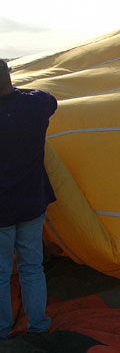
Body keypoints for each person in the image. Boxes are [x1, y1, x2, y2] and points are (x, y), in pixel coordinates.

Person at [0, 59, 57, 341]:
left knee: (0, 273)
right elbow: (50, 99)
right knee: (32, 267)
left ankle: (2, 329)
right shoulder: (34, 106)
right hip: (32, 202)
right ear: (8, 75)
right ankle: (38, 326)